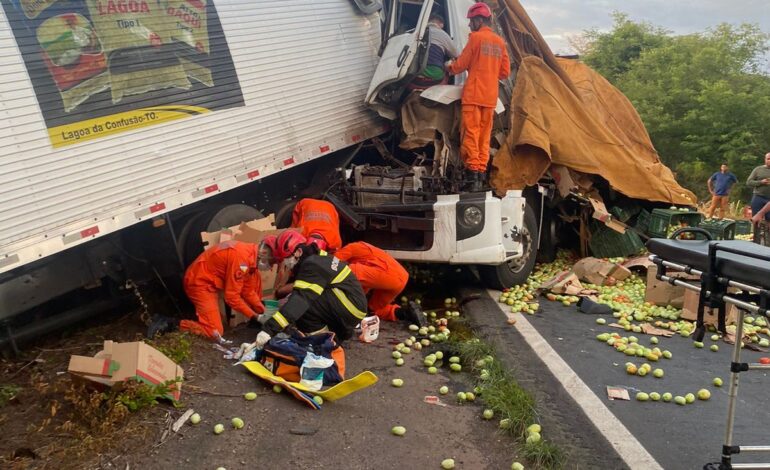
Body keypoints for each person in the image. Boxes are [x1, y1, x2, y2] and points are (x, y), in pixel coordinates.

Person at [255, 230, 368, 347]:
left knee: (302, 308)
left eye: (287, 258)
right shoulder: (316, 258)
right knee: (300, 301)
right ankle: (339, 331)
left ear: (298, 252)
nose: (286, 263)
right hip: (351, 305)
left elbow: (300, 300)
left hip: (350, 308)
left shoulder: (312, 265)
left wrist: (269, 330)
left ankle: (323, 341)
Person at [446, 2, 510, 191]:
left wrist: (449, 67)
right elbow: (504, 72)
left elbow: (460, 65)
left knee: (471, 134)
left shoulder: (475, 38)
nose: (469, 24)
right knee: (483, 137)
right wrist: (489, 68)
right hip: (490, 98)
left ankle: (472, 175)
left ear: (479, 20)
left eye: (471, 21)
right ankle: (480, 174)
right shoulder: (500, 42)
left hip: (474, 95)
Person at [147, 241, 264, 341]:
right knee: (215, 332)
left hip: (207, 282)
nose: (271, 266)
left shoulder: (249, 259)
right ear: (265, 253)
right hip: (199, 283)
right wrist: (255, 316)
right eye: (272, 262)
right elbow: (232, 298)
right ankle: (171, 323)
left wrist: (263, 311)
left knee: (216, 326)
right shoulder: (242, 260)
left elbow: (247, 290)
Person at [334, 241, 426, 326]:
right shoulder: (366, 251)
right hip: (402, 277)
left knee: (345, 272)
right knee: (374, 309)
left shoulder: (350, 248)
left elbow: (333, 265)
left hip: (387, 274)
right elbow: (365, 281)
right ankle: (405, 313)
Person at [410, 13, 459, 89]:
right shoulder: (443, 34)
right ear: (441, 24)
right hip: (434, 77)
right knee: (447, 70)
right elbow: (456, 55)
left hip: (414, 77)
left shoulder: (414, 32)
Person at [747, 153, 770, 221]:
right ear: (765, 159)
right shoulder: (758, 169)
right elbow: (749, 182)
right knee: (756, 218)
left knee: (769, 219)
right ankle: (756, 228)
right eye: (768, 159)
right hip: (758, 197)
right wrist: (761, 182)